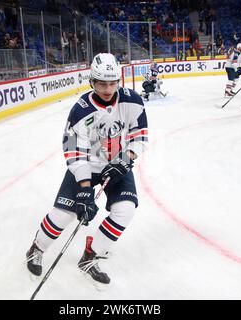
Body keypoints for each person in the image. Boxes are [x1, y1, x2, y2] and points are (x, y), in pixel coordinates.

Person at [26, 53, 148, 287]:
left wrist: (127, 157)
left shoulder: (132, 100)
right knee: (65, 214)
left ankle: (90, 256)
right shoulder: (80, 111)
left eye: (112, 82)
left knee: (125, 210)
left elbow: (139, 134)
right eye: (102, 82)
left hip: (117, 164)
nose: (107, 88)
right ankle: (36, 248)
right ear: (92, 81)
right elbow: (73, 153)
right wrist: (84, 191)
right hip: (87, 166)